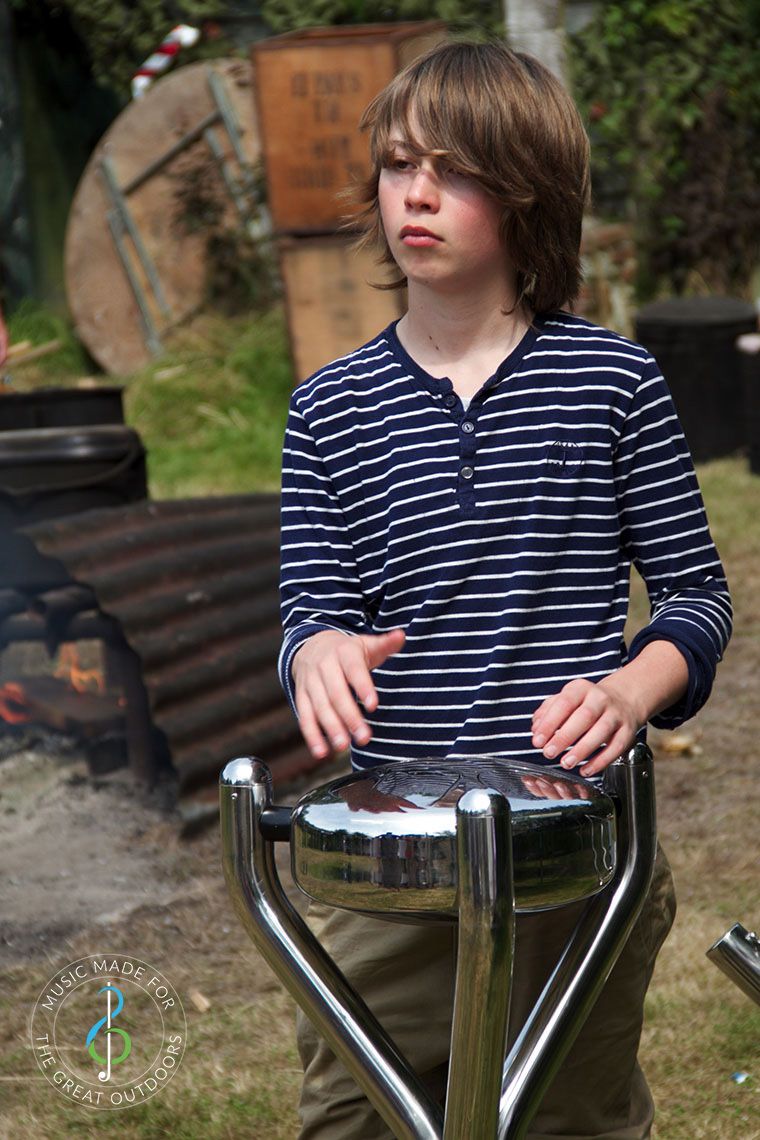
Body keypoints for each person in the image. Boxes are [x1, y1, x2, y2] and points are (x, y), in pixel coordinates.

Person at [277, 40, 732, 1140]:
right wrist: (318, 654)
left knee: (566, 1120)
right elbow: (311, 611)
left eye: (452, 169)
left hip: (573, 857)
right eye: (395, 165)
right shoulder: (327, 409)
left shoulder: (610, 382)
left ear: (528, 196)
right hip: (394, 860)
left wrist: (632, 692)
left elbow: (696, 601)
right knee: (353, 1117)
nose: (414, 193)